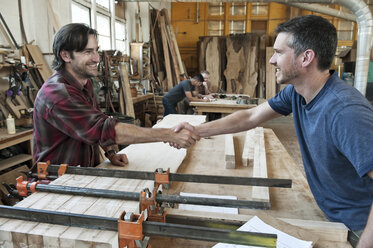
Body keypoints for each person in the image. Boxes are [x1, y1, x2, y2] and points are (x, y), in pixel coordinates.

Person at [175, 15, 373, 247]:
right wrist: (196, 130)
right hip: (333, 215)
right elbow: (250, 116)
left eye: (279, 52)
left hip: (359, 228)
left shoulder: (345, 111)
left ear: (306, 57)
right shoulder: (297, 94)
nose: (271, 60)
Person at [32, 23, 199, 169]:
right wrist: (168, 134)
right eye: (88, 52)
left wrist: (110, 152)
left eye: (96, 50)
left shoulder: (84, 83)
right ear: (66, 55)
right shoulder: (58, 93)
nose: (96, 58)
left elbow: (98, 120)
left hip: (81, 174)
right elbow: (103, 129)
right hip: (55, 181)